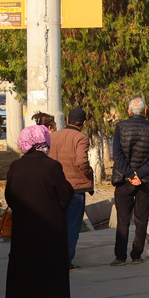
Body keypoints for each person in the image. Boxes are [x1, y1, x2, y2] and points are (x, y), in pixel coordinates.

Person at [4, 124, 73, 298]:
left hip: (22, 230)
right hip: (48, 230)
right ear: (43, 141)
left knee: (20, 274)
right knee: (44, 274)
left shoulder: (15, 166)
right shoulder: (52, 167)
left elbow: (9, 197)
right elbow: (65, 195)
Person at [110, 97, 149, 266]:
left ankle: (120, 257)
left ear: (129, 111)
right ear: (145, 111)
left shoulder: (121, 127)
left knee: (122, 220)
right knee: (142, 218)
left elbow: (117, 155)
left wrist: (130, 175)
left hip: (124, 180)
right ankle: (137, 255)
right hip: (146, 181)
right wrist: (140, 174)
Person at [48, 107, 94, 269]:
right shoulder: (81, 138)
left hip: (56, 188)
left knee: (56, 225)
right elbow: (82, 161)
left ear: (67, 121)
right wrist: (88, 175)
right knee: (72, 226)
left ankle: (53, 258)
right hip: (75, 189)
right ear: (83, 123)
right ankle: (65, 261)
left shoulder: (53, 136)